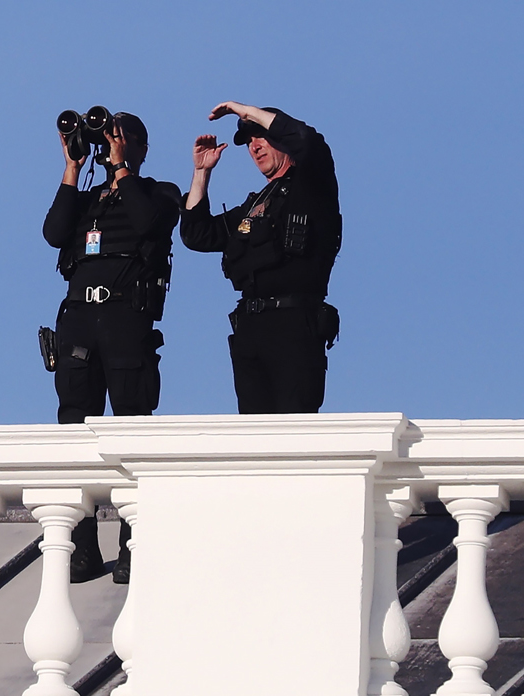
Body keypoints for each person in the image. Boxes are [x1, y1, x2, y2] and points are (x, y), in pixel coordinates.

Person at [42, 111, 181, 584]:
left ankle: (131, 545)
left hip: (126, 318)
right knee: (74, 431)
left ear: (141, 148)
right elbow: (53, 233)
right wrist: (72, 167)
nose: (109, 145)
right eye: (106, 139)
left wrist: (122, 170)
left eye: (119, 139)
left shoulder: (159, 193)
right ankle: (81, 547)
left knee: (131, 430)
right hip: (79, 320)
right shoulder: (86, 200)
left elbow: (148, 224)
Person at [180, 101, 342, 414]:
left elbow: (308, 141)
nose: (254, 147)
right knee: (254, 432)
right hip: (250, 329)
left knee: (293, 428)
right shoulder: (254, 206)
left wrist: (245, 111)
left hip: (295, 324)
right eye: (248, 142)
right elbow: (196, 235)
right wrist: (202, 172)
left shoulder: (312, 184)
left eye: (261, 137)